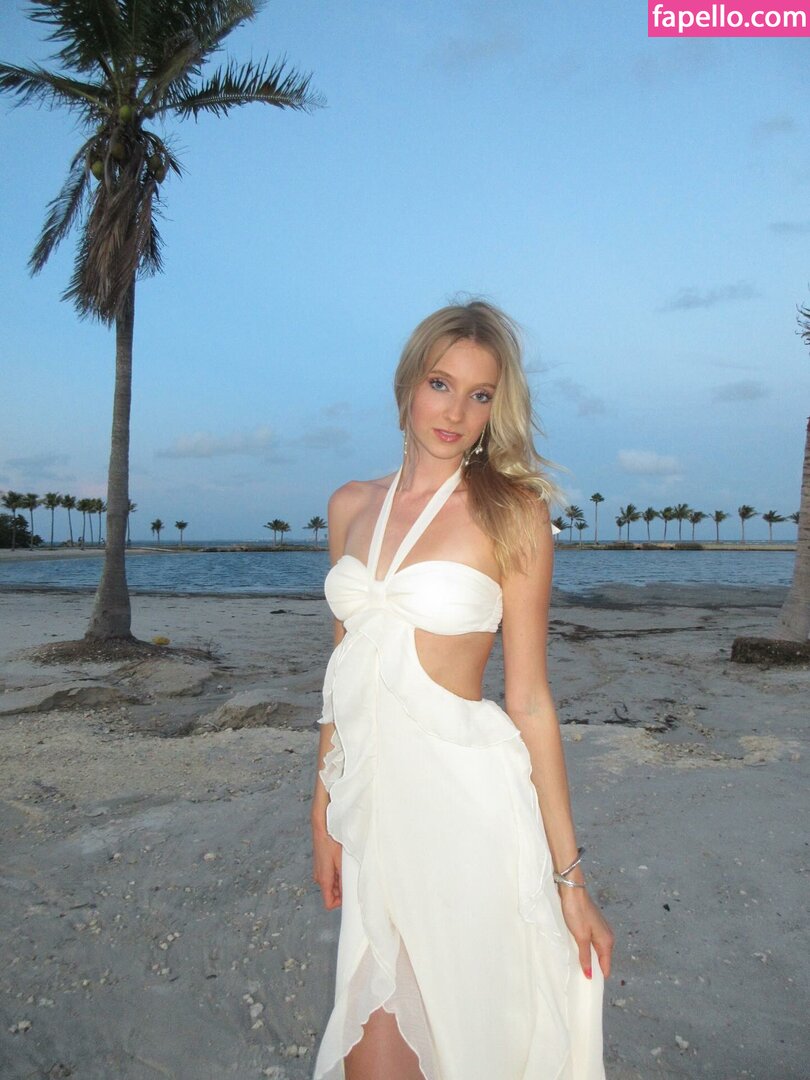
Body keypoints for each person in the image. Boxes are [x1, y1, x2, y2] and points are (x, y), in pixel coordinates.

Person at [311, 300, 613, 1080]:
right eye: (441, 384)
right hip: (376, 818)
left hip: (469, 817)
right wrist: (323, 808)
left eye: (480, 395)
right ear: (409, 384)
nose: (455, 412)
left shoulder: (513, 514)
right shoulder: (350, 505)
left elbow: (530, 700)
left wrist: (570, 880)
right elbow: (343, 670)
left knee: (476, 1045)